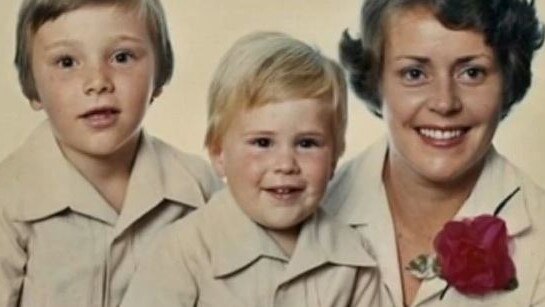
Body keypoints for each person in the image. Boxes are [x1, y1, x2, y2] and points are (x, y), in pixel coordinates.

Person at [120, 32, 382, 307]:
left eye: (307, 144)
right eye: (263, 142)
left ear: (334, 158)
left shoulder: (354, 260)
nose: (285, 165)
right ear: (219, 153)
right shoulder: (181, 254)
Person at [323, 0, 545, 306]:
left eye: (472, 72)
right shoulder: (307, 208)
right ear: (376, 82)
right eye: (414, 73)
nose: (444, 103)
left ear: (508, 81)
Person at [0, 0, 222, 306]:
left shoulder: (199, 188)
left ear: (158, 76)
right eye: (67, 62)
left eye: (122, 57)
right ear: (32, 87)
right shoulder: (9, 199)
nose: (98, 83)